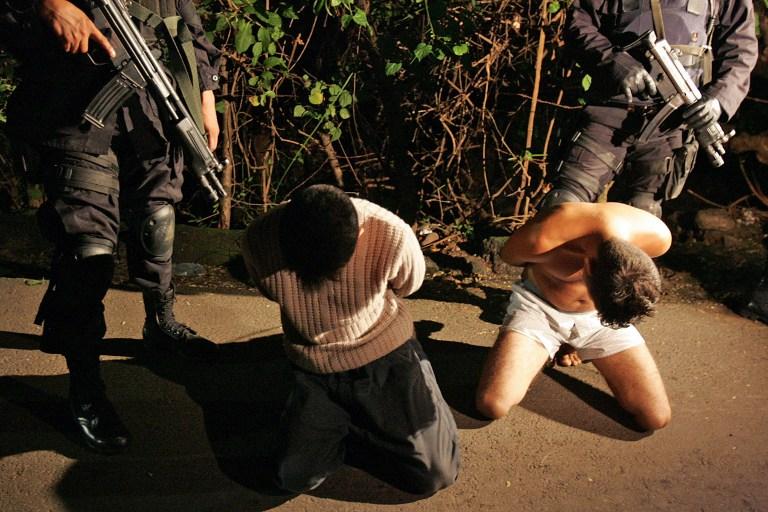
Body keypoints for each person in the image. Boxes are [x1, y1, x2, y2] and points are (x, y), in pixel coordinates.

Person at [0, 0, 222, 453]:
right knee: (88, 251)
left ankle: (160, 324)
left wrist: (206, 94)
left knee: (158, 223)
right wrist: (48, 6)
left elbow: (186, 24)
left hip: (154, 105)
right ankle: (85, 385)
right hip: (73, 105)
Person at [241, 184, 460, 495]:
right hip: (314, 366)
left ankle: (395, 400)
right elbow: (270, 289)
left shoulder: (389, 233)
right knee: (292, 478)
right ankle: (360, 423)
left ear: (359, 235)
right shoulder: (260, 239)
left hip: (385, 351)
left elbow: (410, 283)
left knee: (436, 473)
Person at [541, 0, 758, 217]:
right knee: (563, 207)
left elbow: (741, 50)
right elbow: (579, 24)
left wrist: (718, 100)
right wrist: (615, 63)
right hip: (609, 112)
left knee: (642, 218)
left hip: (671, 126)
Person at [475, 202, 673, 431]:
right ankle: (543, 351)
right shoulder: (546, 237)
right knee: (493, 405)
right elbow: (509, 255)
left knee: (656, 418)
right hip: (540, 310)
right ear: (587, 266)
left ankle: (568, 344)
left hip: (599, 320)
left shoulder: (657, 236)